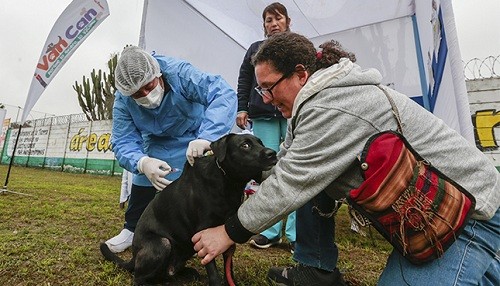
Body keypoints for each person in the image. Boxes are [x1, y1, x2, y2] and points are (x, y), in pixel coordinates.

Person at [192, 32, 500, 286]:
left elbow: (289, 183)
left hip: (467, 214)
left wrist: (227, 232)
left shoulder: (331, 107)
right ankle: (317, 268)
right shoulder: (314, 103)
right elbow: (285, 167)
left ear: (301, 74)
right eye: (260, 90)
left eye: (269, 88)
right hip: (435, 211)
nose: (265, 99)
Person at [105, 45, 237, 253]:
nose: (146, 96)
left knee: (195, 186)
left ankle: (195, 231)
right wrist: (142, 162)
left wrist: (207, 137)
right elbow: (122, 139)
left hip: (194, 136)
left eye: (149, 87)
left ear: (157, 74)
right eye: (138, 94)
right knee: (142, 177)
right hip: (155, 141)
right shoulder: (123, 99)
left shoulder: (179, 73)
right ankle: (132, 228)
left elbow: (222, 94)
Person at [236, 2, 296, 251]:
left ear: (287, 22)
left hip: (293, 113)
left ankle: (295, 235)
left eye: (278, 18)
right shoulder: (254, 50)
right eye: (268, 20)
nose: (273, 24)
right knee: (266, 171)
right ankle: (270, 231)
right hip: (262, 116)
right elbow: (245, 79)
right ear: (264, 26)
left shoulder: (296, 48)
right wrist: (242, 107)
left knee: (295, 167)